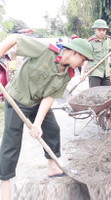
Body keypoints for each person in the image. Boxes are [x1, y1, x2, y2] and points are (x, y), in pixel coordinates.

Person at [0, 34, 93, 200]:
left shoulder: (67, 74)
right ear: (74, 53)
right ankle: (4, 181)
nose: (82, 64)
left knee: (52, 129)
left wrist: (37, 124)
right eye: (83, 59)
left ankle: (52, 167)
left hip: (37, 102)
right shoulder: (45, 50)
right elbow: (14, 38)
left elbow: (49, 97)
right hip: (18, 98)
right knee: (11, 140)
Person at [80, 19, 111, 87]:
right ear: (95, 29)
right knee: (95, 95)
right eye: (99, 30)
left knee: (108, 95)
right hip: (94, 73)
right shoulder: (90, 42)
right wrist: (82, 73)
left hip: (106, 73)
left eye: (104, 30)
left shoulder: (108, 40)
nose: (102, 32)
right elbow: (86, 59)